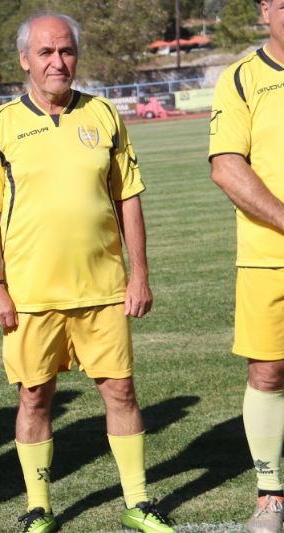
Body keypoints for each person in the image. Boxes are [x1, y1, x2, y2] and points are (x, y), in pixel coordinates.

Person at [0, 13, 175, 533]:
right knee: (34, 397)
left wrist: (139, 274)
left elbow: (128, 198)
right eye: (45, 52)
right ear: (25, 60)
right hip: (30, 295)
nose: (57, 62)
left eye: (66, 51)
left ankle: (137, 502)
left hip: (103, 290)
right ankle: (39, 507)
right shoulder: (3, 124)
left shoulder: (104, 115)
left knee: (121, 392)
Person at [210, 1, 284, 531]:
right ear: (265, 10)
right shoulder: (241, 79)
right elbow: (227, 167)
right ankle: (271, 494)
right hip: (267, 258)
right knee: (269, 371)